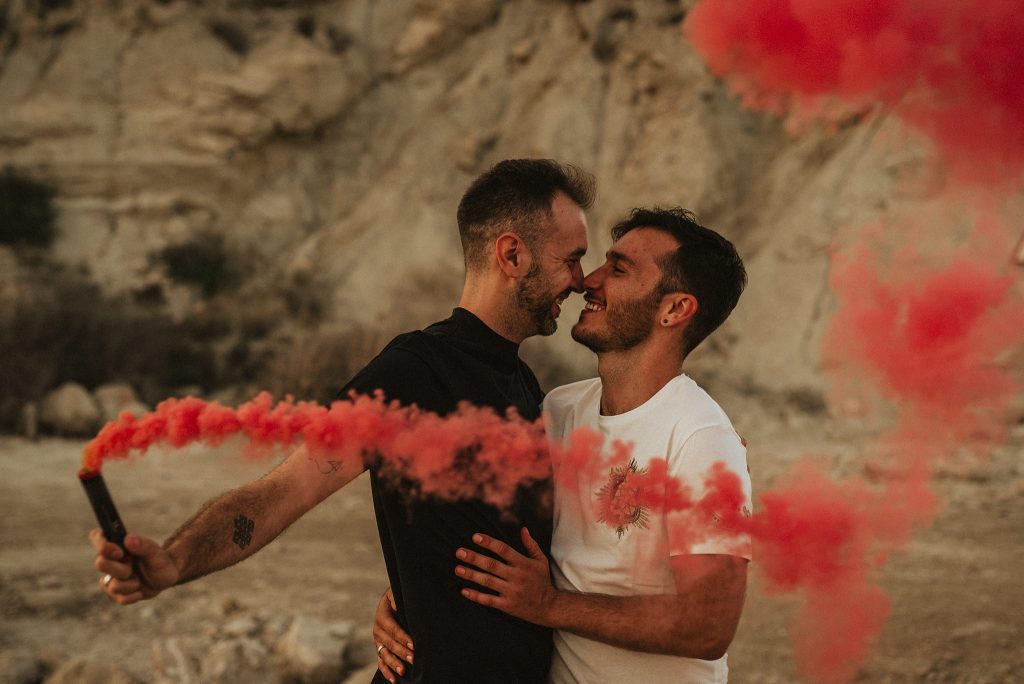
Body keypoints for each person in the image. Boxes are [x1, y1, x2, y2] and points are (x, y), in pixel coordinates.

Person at [89, 158, 594, 683]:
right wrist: (173, 562)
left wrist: (412, 588)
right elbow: (282, 494)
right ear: (512, 254)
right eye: (572, 259)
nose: (580, 281)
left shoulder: (524, 383)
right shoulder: (413, 372)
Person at [375, 207, 752, 683]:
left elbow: (707, 626)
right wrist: (407, 598)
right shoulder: (557, 410)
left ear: (674, 309)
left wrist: (550, 606)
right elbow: (486, 530)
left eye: (618, 269)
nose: (588, 281)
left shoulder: (700, 439)